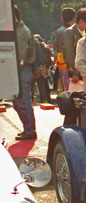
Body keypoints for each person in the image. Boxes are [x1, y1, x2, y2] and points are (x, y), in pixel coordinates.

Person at [12, 5, 37, 140]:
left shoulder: (20, 32)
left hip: (22, 70)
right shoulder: (21, 30)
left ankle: (29, 130)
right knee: (19, 102)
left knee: (23, 102)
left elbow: (20, 56)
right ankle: (28, 128)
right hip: (23, 70)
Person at [62, 8, 86, 89]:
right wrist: (75, 73)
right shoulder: (69, 32)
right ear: (81, 21)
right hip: (74, 72)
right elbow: (69, 54)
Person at [51, 7, 76, 92]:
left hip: (60, 62)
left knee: (65, 87)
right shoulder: (71, 31)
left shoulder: (57, 31)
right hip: (69, 63)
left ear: (62, 18)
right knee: (72, 88)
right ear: (74, 18)